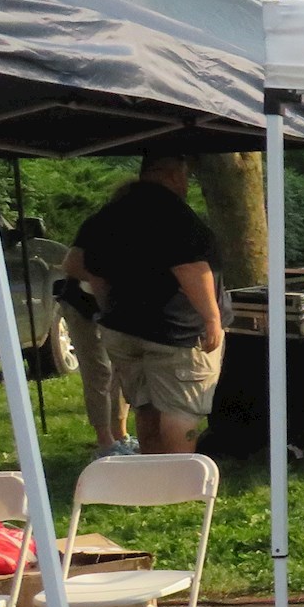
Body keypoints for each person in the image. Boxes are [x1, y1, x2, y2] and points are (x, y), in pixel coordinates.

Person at [67, 153, 228, 456]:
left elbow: (75, 263)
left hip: (123, 330)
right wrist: (212, 318)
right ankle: (179, 475)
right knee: (182, 408)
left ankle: (151, 472)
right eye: (185, 176)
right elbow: (191, 268)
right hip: (177, 331)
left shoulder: (109, 214)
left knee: (147, 405)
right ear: (174, 174)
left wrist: (106, 298)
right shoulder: (174, 214)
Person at [57, 187, 135, 458]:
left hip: (115, 308)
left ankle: (121, 434)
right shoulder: (98, 224)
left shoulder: (144, 228)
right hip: (82, 305)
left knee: (122, 368)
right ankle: (105, 442)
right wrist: (102, 282)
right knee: (99, 371)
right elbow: (70, 264)